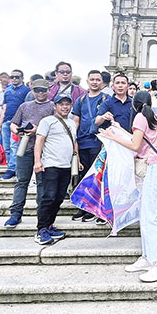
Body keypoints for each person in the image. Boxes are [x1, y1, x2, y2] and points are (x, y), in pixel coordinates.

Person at [101, 91, 157, 282]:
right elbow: (138, 142)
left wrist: (112, 136)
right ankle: (148, 257)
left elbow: (134, 146)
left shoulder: (140, 117)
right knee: (146, 214)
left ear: (134, 105)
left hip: (155, 168)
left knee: (150, 216)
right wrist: (118, 129)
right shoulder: (149, 116)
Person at [3, 79, 54, 228]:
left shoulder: (53, 107)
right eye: (37, 90)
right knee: (21, 181)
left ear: (48, 91)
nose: (40, 93)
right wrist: (17, 131)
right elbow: (13, 123)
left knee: (42, 183)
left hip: (45, 151)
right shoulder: (24, 106)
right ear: (32, 91)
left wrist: (38, 130)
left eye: (43, 90)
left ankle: (42, 214)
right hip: (24, 147)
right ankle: (16, 213)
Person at [32, 94, 77, 245]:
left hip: (66, 166)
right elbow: (39, 141)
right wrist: (37, 161)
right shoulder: (47, 121)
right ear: (55, 106)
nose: (65, 107)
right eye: (61, 104)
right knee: (48, 197)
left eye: (67, 104)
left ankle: (49, 225)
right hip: (50, 164)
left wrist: (77, 160)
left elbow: (74, 141)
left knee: (59, 198)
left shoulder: (72, 123)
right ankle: (41, 229)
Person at [71, 70, 108, 222]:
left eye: (97, 80)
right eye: (92, 79)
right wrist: (73, 139)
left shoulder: (106, 99)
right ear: (87, 81)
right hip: (82, 141)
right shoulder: (80, 100)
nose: (94, 82)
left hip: (97, 142)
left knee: (95, 176)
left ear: (102, 82)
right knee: (82, 176)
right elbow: (76, 121)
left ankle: (93, 207)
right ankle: (82, 206)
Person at [0, 69, 30, 180]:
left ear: (22, 78)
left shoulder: (26, 90)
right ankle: (10, 168)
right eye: (12, 77)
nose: (14, 79)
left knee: (14, 146)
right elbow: (4, 108)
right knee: (7, 147)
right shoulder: (8, 91)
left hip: (18, 123)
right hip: (6, 121)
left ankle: (13, 169)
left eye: (17, 77)